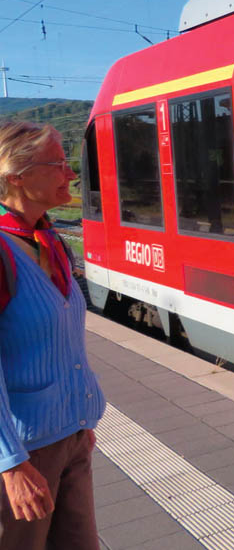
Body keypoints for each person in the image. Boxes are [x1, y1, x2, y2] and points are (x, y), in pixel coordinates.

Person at [0, 121, 106, 550]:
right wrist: (10, 463)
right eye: (58, 164)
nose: (71, 174)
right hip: (25, 451)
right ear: (16, 178)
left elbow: (65, 341)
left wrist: (80, 416)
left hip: (72, 437)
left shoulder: (50, 240)